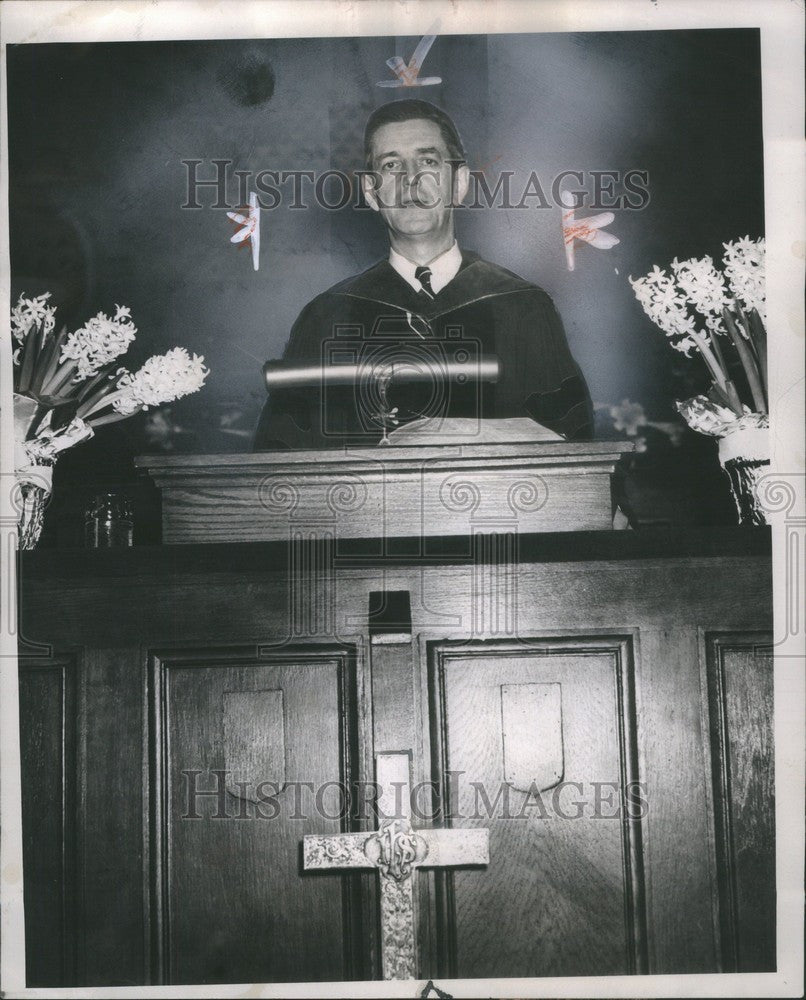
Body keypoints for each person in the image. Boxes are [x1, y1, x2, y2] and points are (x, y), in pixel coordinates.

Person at [254, 99, 593, 450]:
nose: (410, 179)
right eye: (391, 165)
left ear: (458, 183)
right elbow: (280, 462)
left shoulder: (524, 309)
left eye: (428, 161)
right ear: (372, 192)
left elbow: (575, 450)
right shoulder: (326, 316)